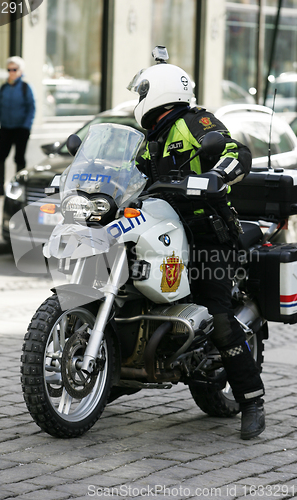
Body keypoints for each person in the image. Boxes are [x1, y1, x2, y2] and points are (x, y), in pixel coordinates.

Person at [128, 47, 265, 440]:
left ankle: (252, 400)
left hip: (209, 236)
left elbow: (235, 151)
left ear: (160, 91)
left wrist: (220, 175)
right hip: (165, 231)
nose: (139, 98)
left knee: (218, 317)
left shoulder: (193, 121)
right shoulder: (150, 139)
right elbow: (130, 176)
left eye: (142, 90)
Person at [0, 56, 36, 197]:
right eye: (9, 70)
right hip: (5, 128)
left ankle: (18, 188)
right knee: (0, 157)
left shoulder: (26, 88)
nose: (11, 72)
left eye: (14, 69)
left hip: (21, 129)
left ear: (20, 71)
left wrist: (26, 127)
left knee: (19, 159)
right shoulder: (3, 88)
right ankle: (0, 187)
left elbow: (31, 108)